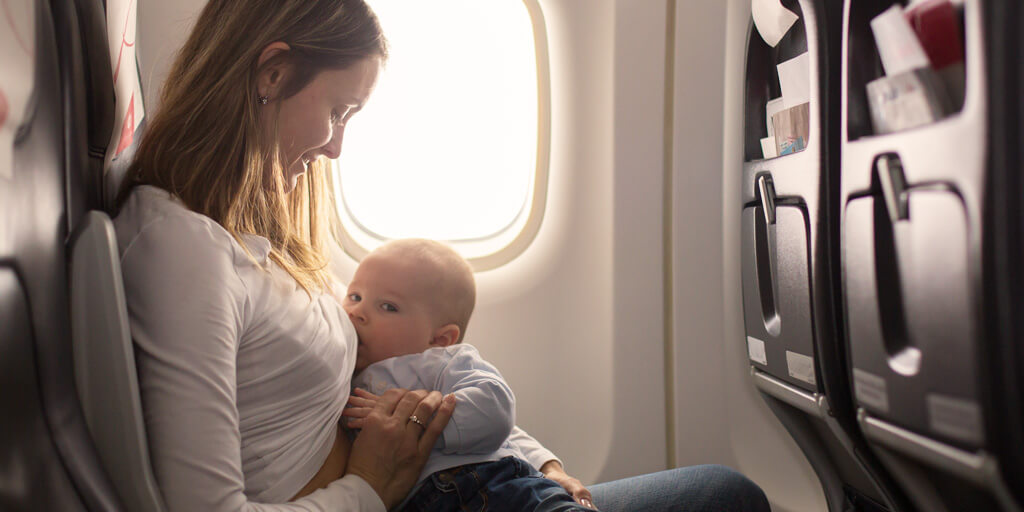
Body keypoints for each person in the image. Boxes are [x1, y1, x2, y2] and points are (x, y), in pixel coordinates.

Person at [112, 0, 772, 510]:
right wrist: (369, 488)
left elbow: (431, 384)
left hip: (442, 484)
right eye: (338, 111)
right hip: (402, 500)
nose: (336, 148)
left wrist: (543, 464)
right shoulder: (183, 250)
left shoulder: (261, 243)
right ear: (273, 72)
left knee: (724, 491)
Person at [339, 238, 596, 511]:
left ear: (439, 339)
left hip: (489, 481)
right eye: (355, 296)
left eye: (388, 307)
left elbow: (494, 408)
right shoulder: (343, 369)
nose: (357, 312)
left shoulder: (441, 362)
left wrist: (417, 422)